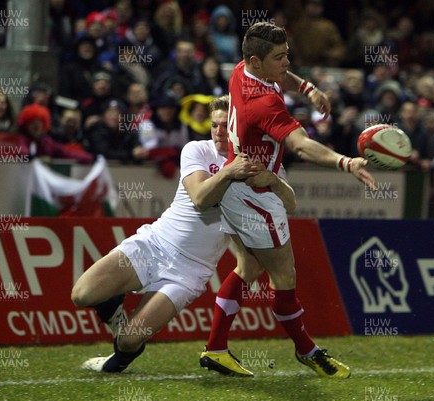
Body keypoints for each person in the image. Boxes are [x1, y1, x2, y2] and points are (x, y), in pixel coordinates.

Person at [200, 22, 375, 379]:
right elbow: (300, 145)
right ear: (256, 61)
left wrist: (308, 87)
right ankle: (306, 350)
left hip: (238, 183)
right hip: (255, 193)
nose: (287, 62)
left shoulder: (241, 71)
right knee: (284, 273)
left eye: (286, 55)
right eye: (279, 57)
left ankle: (216, 348)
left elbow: (282, 77)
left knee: (249, 269)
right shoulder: (262, 105)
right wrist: (346, 161)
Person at [73, 95, 293, 373]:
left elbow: (290, 203)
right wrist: (229, 173)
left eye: (226, 126)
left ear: (240, 127)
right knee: (81, 295)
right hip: (154, 244)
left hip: (190, 271)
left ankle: (113, 363)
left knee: (128, 342)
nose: (218, 132)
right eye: (214, 125)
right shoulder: (196, 150)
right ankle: (113, 304)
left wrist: (273, 180)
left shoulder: (261, 164)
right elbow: (201, 198)